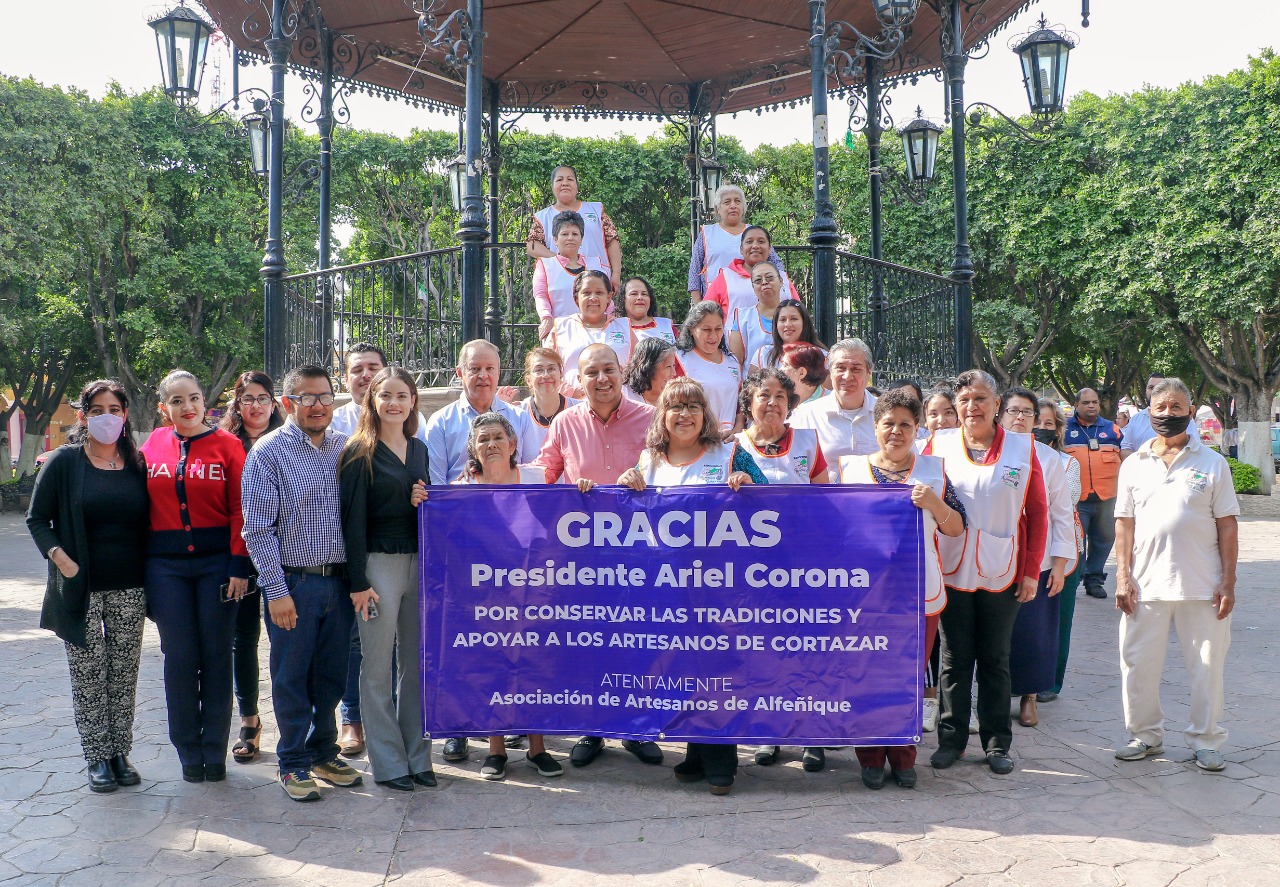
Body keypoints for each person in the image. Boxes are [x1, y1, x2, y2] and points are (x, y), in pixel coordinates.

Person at [617, 377, 767, 795]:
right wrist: (625, 484)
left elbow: (772, 502)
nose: (684, 415)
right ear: (662, 416)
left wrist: (750, 485)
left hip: (720, 589)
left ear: (705, 415)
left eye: (693, 406)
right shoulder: (648, 460)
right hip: (667, 590)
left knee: (716, 669)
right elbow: (628, 517)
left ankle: (721, 758)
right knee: (683, 668)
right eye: (675, 407)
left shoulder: (729, 452)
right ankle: (696, 751)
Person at [534, 344, 662, 769]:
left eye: (609, 370)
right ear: (580, 379)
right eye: (592, 372)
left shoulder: (651, 418)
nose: (602, 379)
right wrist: (486, 479)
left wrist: (646, 478)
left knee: (638, 640)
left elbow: (673, 469)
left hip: (641, 553)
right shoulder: (564, 423)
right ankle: (593, 727)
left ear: (622, 372)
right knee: (590, 640)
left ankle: (636, 727)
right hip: (585, 557)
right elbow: (543, 475)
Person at [241, 364, 364, 801]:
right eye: (307, 397)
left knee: (331, 676)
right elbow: (257, 530)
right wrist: (276, 592)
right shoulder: (268, 452)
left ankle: (323, 752)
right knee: (291, 677)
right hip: (294, 585)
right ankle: (292, 761)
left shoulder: (345, 449)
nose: (317, 405)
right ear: (288, 402)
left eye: (325, 396)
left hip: (338, 584)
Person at [839, 388, 966, 789]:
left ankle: (903, 755)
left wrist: (935, 504)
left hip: (919, 595)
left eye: (905, 425)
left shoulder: (933, 471)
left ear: (917, 429)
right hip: (864, 596)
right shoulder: (850, 471)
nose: (896, 431)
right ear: (875, 427)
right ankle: (870, 756)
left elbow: (956, 527)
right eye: (888, 423)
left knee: (908, 677)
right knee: (867, 674)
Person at [26, 379, 149, 793]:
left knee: (123, 672)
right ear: (83, 416)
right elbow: (37, 519)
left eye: (114, 409)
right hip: (81, 587)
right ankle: (97, 756)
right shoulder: (65, 461)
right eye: (97, 410)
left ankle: (119, 753)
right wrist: (63, 561)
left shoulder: (136, 463)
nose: (106, 417)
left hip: (129, 585)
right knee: (88, 674)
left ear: (125, 415)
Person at [923, 369, 1048, 776]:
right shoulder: (939, 444)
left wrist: (1031, 572)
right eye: (964, 400)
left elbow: (1038, 512)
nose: (971, 407)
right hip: (951, 567)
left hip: (1002, 569)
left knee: (995, 658)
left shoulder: (1022, 448)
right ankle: (951, 740)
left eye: (980, 399)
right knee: (954, 658)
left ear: (997, 404)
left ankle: (996, 743)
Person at [1113, 377, 1239, 773]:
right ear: (1149, 412)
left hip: (1202, 586)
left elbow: (1228, 525)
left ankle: (1206, 740)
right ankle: (1145, 736)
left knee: (1207, 668)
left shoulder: (1213, 463)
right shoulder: (1133, 464)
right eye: (1161, 407)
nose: (1168, 414)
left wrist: (1228, 581)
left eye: (1176, 407)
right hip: (1145, 586)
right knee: (1137, 665)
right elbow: (1124, 525)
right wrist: (1122, 577)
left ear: (1190, 411)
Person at [423, 340, 537, 764]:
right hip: (466, 553)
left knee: (518, 646)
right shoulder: (441, 422)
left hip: (518, 557)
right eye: (474, 368)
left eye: (490, 368)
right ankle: (458, 729)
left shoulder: (518, 418)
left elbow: (533, 479)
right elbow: (437, 488)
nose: (483, 376)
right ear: (460, 373)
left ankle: (517, 722)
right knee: (465, 645)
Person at [140, 369, 250, 783]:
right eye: (177, 401)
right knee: (181, 657)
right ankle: (188, 750)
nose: (187, 407)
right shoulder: (152, 445)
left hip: (218, 565)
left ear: (206, 402)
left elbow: (241, 509)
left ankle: (214, 751)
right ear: (163, 408)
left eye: (194, 398)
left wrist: (239, 564)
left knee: (217, 656)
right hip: (165, 568)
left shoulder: (229, 446)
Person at [457, 412, 569, 781]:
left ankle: (538, 749)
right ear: (473, 448)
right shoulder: (463, 488)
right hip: (486, 595)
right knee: (493, 667)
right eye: (483, 439)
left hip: (534, 590)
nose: (491, 444)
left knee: (534, 666)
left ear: (513, 444)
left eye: (497, 438)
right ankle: (496, 749)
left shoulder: (537, 478)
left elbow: (565, 517)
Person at [338, 366, 435, 792]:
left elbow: (426, 509)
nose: (394, 403)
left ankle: (418, 756)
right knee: (376, 667)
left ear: (413, 402)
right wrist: (357, 581)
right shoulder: (358, 452)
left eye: (402, 395)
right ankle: (389, 762)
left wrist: (421, 499)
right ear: (372, 401)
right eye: (385, 395)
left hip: (419, 564)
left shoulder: (420, 450)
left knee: (416, 666)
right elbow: (351, 522)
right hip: (377, 567)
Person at [734, 369, 830, 772]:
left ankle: (811, 734)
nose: (772, 402)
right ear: (749, 402)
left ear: (790, 403)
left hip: (802, 566)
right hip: (753, 571)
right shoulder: (733, 447)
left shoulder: (808, 442)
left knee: (807, 649)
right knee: (762, 650)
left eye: (779, 396)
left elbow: (826, 501)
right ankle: (769, 730)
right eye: (764, 395)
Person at [218, 371, 285, 764]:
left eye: (263, 398)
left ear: (274, 403)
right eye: (248, 398)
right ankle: (250, 721)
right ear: (237, 404)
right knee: (242, 640)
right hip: (239, 558)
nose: (256, 406)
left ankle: (292, 720)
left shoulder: (289, 441)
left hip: (283, 556)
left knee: (284, 640)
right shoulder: (225, 444)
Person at [1001, 388, 1077, 729]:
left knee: (1034, 633)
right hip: (994, 560)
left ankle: (1029, 697)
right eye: (1013, 410)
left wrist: (1059, 564)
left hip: (1040, 560)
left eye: (1027, 412)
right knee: (999, 636)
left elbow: (1061, 514)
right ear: (1000, 414)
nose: (1020, 417)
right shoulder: (988, 452)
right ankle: (996, 696)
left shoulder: (1048, 459)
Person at [1034, 398, 1086, 703]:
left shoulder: (1068, 463)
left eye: (1048, 424)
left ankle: (1051, 682)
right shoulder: (1009, 460)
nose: (1041, 428)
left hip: (1062, 551)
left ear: (1058, 430)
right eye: (1036, 421)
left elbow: (1064, 500)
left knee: (1058, 618)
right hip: (1022, 551)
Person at [1064, 387, 1125, 599]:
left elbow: (1125, 457)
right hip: (1077, 500)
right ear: (1076, 405)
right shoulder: (1065, 429)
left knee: (1104, 540)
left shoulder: (1112, 430)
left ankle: (1094, 580)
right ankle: (1075, 577)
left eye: (1094, 402)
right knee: (1076, 542)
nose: (1091, 406)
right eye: (1086, 402)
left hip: (1107, 498)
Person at [790, 338, 879, 481]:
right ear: (830, 372)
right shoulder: (806, 416)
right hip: (825, 494)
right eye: (840, 368)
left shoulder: (887, 414)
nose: (847, 376)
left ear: (869, 373)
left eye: (856, 369)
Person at [527, 164, 621, 289]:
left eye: (570, 179)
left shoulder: (596, 210)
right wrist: (560, 260)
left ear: (577, 186)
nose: (565, 183)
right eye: (559, 179)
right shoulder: (543, 217)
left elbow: (612, 240)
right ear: (552, 186)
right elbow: (532, 246)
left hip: (598, 280)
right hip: (559, 281)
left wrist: (616, 274)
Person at [687, 185, 785, 300]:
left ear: (743, 207)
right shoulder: (707, 233)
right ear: (718, 209)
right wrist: (699, 305)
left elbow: (776, 263)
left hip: (752, 299)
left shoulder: (754, 233)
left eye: (737, 201)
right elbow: (694, 271)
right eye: (727, 202)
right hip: (714, 301)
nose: (733, 206)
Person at [548, 270, 633, 394]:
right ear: (576, 297)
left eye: (599, 292)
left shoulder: (625, 327)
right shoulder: (561, 327)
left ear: (609, 297)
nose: (593, 298)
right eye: (586, 293)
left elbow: (638, 370)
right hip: (572, 402)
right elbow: (547, 369)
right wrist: (573, 393)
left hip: (619, 401)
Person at [330, 343, 429, 442]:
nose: (366, 375)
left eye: (373, 369)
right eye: (357, 370)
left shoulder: (413, 420)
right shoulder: (334, 423)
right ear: (346, 380)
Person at [532, 211, 607, 340]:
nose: (570, 238)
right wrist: (546, 318)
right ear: (555, 240)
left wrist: (610, 320)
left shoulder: (596, 264)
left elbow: (607, 297)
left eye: (575, 234)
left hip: (596, 331)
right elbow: (540, 295)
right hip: (559, 332)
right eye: (565, 234)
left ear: (581, 239)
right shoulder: (545, 265)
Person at [704, 225, 799, 320]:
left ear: (770, 249)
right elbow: (705, 314)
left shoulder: (782, 278)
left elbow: (798, 313)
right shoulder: (726, 277)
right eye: (749, 242)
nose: (755, 246)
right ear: (741, 249)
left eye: (761, 241)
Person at [676, 301, 742, 432]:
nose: (713, 336)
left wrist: (737, 429)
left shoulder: (732, 361)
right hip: (696, 437)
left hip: (730, 438)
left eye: (718, 329)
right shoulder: (680, 359)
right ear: (691, 329)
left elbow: (739, 403)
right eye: (706, 329)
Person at [501, 347, 579, 458]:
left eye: (551, 369)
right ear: (528, 379)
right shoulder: (518, 414)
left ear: (561, 375)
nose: (546, 375)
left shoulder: (579, 410)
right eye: (539, 370)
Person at [1121, 373, 1199, 455]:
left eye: (1160, 387)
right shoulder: (1136, 419)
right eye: (1151, 387)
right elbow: (1125, 449)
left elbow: (1194, 448)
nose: (1155, 391)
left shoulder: (1185, 420)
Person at [727, 262, 785, 369]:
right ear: (753, 286)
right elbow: (735, 363)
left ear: (781, 281)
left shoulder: (793, 315)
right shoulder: (742, 318)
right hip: (753, 379)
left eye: (769, 278)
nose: (764, 282)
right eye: (758, 280)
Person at [749, 299, 826, 372]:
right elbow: (752, 381)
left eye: (794, 319)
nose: (788, 324)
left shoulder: (822, 356)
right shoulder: (763, 354)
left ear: (805, 323)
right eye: (782, 320)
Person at [619, 276, 677, 344]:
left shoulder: (667, 326)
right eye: (634, 294)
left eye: (644, 294)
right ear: (623, 299)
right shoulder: (614, 326)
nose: (640, 297)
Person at [623, 338, 679, 407]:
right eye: (668, 366)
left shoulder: (676, 399)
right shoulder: (623, 396)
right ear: (648, 369)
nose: (674, 373)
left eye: (673, 365)